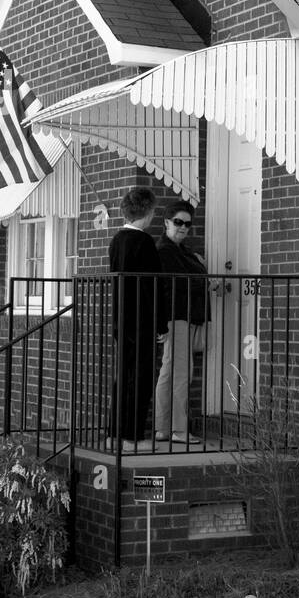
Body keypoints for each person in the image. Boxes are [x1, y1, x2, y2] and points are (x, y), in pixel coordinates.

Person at [108, 187, 162, 452]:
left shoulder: (117, 240)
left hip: (121, 317)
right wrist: (161, 325)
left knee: (123, 376)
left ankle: (115, 434)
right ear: (149, 213)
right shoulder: (145, 243)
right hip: (142, 319)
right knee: (140, 379)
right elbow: (155, 288)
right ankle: (132, 437)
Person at [154, 200, 210, 445]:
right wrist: (206, 281)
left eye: (187, 223)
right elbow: (174, 284)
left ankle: (163, 428)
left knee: (169, 372)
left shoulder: (182, 250)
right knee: (180, 374)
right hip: (177, 317)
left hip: (183, 317)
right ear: (166, 222)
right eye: (178, 222)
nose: (183, 227)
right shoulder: (165, 250)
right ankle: (178, 429)